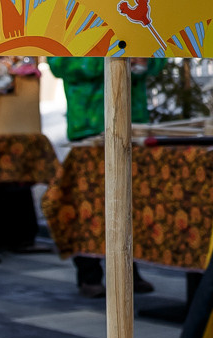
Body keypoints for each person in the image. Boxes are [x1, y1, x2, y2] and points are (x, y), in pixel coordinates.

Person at [48, 54, 164, 295]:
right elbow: (59, 64)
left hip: (133, 122)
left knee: (131, 203)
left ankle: (128, 270)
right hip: (90, 125)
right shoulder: (73, 23)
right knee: (90, 204)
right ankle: (89, 272)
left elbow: (159, 55)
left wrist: (144, 62)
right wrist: (115, 60)